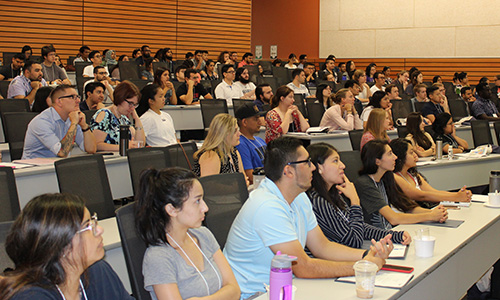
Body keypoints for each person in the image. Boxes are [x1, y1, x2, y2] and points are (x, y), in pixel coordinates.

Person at [224, 136, 393, 299]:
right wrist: (363, 267)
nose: (313, 167)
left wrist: (367, 255)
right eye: (307, 162)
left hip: (285, 288)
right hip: (255, 294)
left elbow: (323, 247)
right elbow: (303, 267)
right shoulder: (267, 206)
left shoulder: (299, 197)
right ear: (288, 171)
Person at [0, 193, 133, 300]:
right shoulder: (31, 296)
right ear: (61, 245)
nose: (99, 230)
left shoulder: (98, 271)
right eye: (88, 226)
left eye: (93, 221)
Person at [134, 167, 240, 300]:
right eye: (197, 201)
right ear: (172, 210)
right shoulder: (158, 258)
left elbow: (235, 290)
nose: (205, 208)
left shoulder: (203, 235)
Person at [306, 143, 411, 248]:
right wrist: (355, 202)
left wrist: (394, 235)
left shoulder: (333, 194)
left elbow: (360, 227)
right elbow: (354, 241)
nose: (343, 166)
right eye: (335, 161)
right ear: (319, 167)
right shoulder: (318, 201)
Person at [354, 140, 448, 230]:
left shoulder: (386, 177)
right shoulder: (364, 184)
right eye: (390, 154)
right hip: (374, 239)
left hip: (390, 232)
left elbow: (405, 207)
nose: (395, 157)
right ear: (377, 161)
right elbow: (393, 218)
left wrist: (436, 213)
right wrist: (430, 216)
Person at [22, 85, 96, 159]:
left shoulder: (72, 117)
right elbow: (62, 152)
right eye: (72, 97)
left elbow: (91, 149)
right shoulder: (41, 122)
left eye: (78, 97)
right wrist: (73, 124)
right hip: (35, 167)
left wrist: (84, 126)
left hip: (57, 165)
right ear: (59, 101)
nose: (78, 101)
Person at [390, 138, 471, 206]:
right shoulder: (396, 177)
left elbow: (433, 191)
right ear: (400, 157)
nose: (415, 155)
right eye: (411, 153)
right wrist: (456, 197)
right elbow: (422, 196)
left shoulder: (412, 174)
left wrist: (459, 194)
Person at [90, 80, 146, 151]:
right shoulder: (104, 114)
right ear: (120, 98)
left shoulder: (123, 118)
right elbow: (96, 145)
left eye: (135, 105)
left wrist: (136, 118)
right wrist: (125, 146)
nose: (132, 108)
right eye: (130, 103)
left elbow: (140, 143)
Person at [193, 113, 246, 178]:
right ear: (224, 134)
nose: (239, 134)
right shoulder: (210, 156)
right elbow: (208, 186)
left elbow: (243, 179)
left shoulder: (234, 152)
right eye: (235, 131)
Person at [235, 103, 266, 184]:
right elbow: (250, 176)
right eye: (256, 119)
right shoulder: (241, 144)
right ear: (244, 122)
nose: (260, 122)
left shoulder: (260, 140)